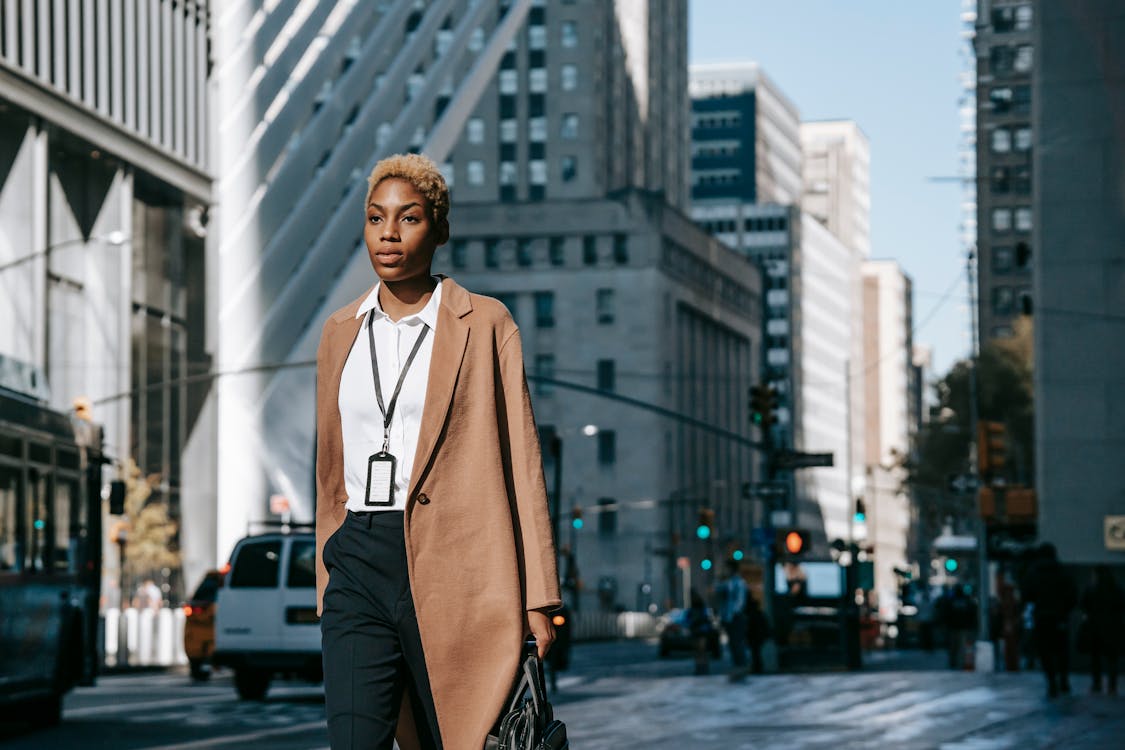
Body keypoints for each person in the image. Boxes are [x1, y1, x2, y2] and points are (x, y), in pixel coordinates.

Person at [314, 153, 560, 750]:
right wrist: (326, 574)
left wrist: (541, 597)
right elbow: (328, 468)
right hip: (358, 561)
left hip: (459, 566)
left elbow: (521, 464)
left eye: (409, 218)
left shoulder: (485, 325)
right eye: (376, 219)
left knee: (451, 739)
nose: (389, 234)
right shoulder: (338, 332)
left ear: (439, 230)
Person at [1022, 543, 1077, 697]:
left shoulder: (1033, 572)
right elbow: (1072, 594)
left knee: (1045, 651)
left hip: (1042, 616)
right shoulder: (1062, 571)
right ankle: (1064, 680)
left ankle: (1051, 681)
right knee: (1061, 650)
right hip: (1059, 616)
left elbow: (1027, 594)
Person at [1080, 565, 1124, 695]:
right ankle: (1112, 686)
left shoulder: (1091, 589)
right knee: (1112, 658)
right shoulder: (1116, 589)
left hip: (1095, 627)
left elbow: (1083, 605)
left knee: (1095, 658)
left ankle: (1096, 684)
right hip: (1113, 627)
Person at [716, 559, 748, 677]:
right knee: (733, 643)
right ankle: (738, 666)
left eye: (727, 568)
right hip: (729, 617)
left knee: (737, 642)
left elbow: (739, 601)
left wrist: (734, 613)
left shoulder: (738, 582)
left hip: (735, 617)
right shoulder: (729, 582)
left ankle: (741, 666)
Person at [685, 589, 714, 676]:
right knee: (701, 651)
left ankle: (701, 668)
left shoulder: (696, 609)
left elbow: (688, 620)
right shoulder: (700, 608)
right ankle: (702, 668)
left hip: (698, 631)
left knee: (699, 651)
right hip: (700, 631)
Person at [744, 593, 770, 674]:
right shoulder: (759, 614)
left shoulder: (752, 615)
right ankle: (757, 667)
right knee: (756, 652)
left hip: (755, 636)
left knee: (755, 653)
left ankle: (757, 667)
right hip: (758, 636)